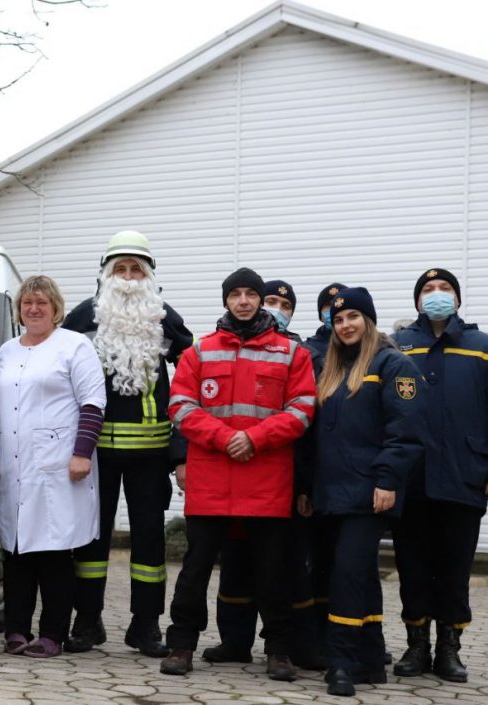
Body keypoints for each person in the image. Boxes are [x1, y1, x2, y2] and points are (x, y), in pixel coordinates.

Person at [160, 267, 315, 681]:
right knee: (195, 571)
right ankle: (181, 645)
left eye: (251, 294)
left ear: (261, 300)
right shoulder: (199, 351)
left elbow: (302, 410)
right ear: (226, 300)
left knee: (272, 572)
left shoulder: (291, 353)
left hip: (266, 482)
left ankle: (278, 651)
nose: (244, 301)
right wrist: (226, 437)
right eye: (236, 294)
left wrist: (256, 439)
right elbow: (181, 406)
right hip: (212, 481)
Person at [61, 231, 192, 657]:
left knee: (150, 543)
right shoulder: (83, 317)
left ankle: (146, 625)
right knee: (90, 540)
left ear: (149, 275)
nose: (130, 276)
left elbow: (191, 384)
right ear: (107, 273)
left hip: (151, 455)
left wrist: (181, 453)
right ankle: (87, 620)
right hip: (94, 453)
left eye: (138, 269)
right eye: (122, 268)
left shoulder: (165, 317)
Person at [390, 268, 488, 682]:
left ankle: (449, 648)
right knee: (412, 566)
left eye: (445, 289)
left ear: (458, 299)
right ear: (417, 300)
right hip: (412, 480)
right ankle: (416, 645)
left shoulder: (485, 348)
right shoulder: (399, 346)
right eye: (428, 289)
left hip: (464, 478)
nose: (437, 294)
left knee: (454, 570)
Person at [202, 279, 327, 670]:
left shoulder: (301, 353)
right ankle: (234, 641)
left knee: (284, 567)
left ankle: (295, 646)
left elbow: (310, 424)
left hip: (283, 477)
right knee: (236, 562)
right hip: (229, 477)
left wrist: (305, 485)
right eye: (268, 299)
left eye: (280, 302)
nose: (272, 306)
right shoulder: (212, 347)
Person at [311, 287, 424, 697]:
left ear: (369, 320)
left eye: (353, 317)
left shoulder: (393, 365)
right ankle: (371, 660)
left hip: (368, 493)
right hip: (330, 493)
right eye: (338, 320)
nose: (345, 325)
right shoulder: (330, 368)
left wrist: (388, 480)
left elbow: (405, 433)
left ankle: (341, 662)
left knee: (346, 573)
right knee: (356, 574)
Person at [0, 275, 106, 658]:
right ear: (19, 309)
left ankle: (52, 634)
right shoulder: (7, 351)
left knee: (54, 552)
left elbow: (93, 403)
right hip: (14, 467)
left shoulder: (75, 346)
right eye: (27, 302)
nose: (34, 308)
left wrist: (81, 452)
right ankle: (15, 630)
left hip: (59, 465)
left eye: (42, 302)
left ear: (56, 307)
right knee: (16, 551)